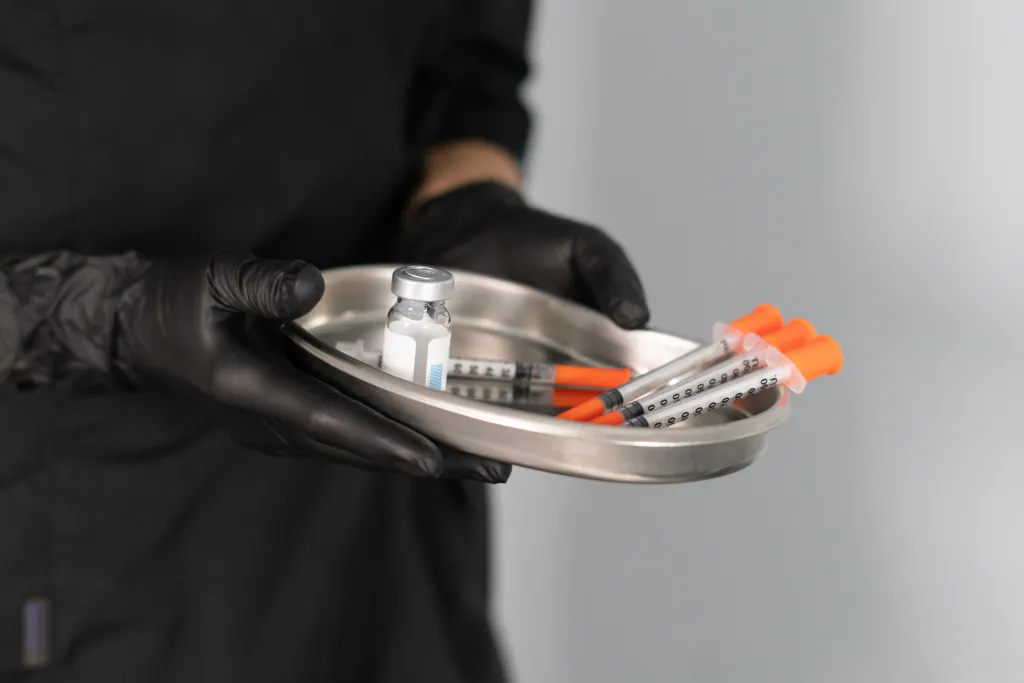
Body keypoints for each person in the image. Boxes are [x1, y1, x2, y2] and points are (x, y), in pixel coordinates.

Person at [0, 1, 650, 680]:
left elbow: (470, 62)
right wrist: (95, 314)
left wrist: (467, 196)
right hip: (81, 529)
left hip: (376, 494)